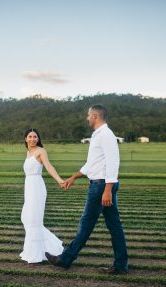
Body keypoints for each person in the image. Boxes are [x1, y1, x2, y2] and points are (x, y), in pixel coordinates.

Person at [45, 104, 128, 274]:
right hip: (101, 184)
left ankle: (65, 259)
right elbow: (92, 164)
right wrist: (73, 177)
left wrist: (107, 189)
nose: (87, 118)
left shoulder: (106, 135)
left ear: (95, 116)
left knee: (86, 223)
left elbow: (113, 163)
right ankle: (121, 265)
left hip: (101, 186)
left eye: (88, 115)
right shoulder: (97, 135)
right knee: (114, 225)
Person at [20, 128, 65, 263]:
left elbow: (49, 166)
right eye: (30, 136)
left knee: (33, 220)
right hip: (28, 186)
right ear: (25, 139)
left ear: (38, 139)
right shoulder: (28, 153)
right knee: (26, 218)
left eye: (35, 137)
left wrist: (59, 180)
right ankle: (38, 249)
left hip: (37, 187)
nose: (33, 139)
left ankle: (37, 254)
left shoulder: (41, 151)